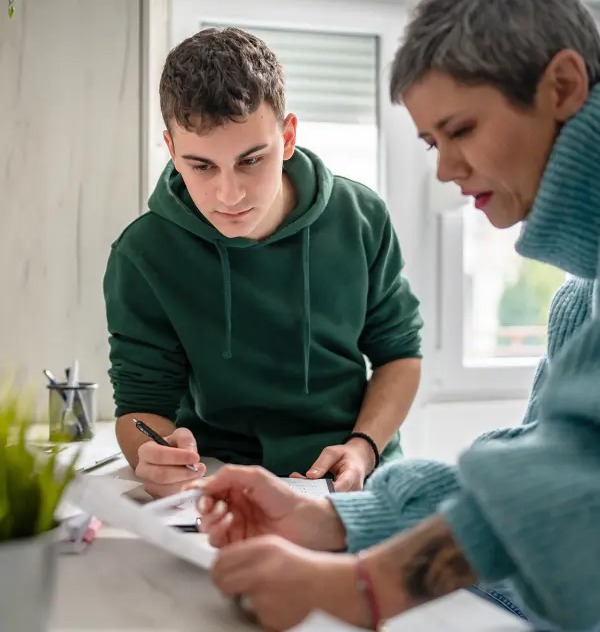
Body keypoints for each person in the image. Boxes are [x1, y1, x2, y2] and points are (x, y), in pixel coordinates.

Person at [194, 0, 600, 630]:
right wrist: (331, 518)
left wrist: (364, 587)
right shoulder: (580, 298)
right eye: (432, 142)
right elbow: (531, 470)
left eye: (461, 130)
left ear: (563, 85)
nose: (445, 171)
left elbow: (574, 490)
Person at [103, 27, 423, 498]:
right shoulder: (143, 254)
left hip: (352, 477)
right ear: (171, 151)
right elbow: (140, 407)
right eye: (202, 166)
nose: (228, 195)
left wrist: (363, 447)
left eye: (251, 160)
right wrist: (150, 455)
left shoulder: (361, 217)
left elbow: (399, 354)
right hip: (218, 483)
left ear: (288, 136)